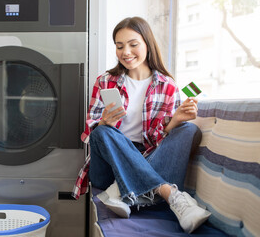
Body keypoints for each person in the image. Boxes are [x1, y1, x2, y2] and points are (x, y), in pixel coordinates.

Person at [72, 16, 211, 234]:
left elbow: (158, 142)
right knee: (101, 132)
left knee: (189, 129)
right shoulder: (105, 81)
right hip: (108, 166)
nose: (125, 52)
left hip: (147, 156)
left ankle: (120, 191)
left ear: (147, 44)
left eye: (133, 44)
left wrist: (174, 122)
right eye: (119, 46)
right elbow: (89, 133)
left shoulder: (168, 86)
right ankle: (169, 194)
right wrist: (102, 122)